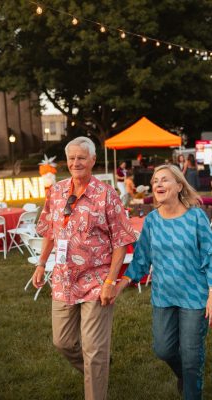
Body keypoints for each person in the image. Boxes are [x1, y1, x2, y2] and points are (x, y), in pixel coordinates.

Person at [32, 137, 136, 400]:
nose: (75, 162)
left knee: (93, 349)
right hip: (64, 279)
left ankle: (96, 375)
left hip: (96, 280)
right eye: (71, 158)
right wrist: (41, 263)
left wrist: (111, 282)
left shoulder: (106, 195)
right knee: (63, 342)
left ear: (92, 161)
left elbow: (122, 241)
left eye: (81, 157)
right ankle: (99, 367)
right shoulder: (56, 192)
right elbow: (49, 231)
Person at [114, 164, 212, 400]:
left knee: (192, 357)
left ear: (179, 186)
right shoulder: (152, 221)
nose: (158, 184)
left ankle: (192, 388)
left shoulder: (195, 217)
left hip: (194, 296)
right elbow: (141, 259)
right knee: (163, 350)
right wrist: (119, 285)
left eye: (164, 180)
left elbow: (210, 255)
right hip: (164, 296)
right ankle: (186, 374)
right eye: (155, 181)